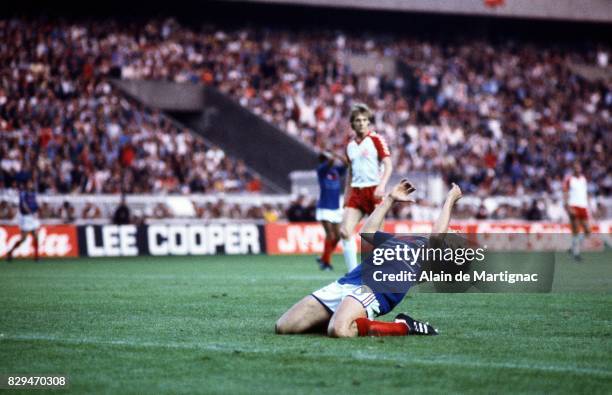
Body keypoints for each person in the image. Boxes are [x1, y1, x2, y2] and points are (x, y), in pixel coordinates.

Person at [275, 180, 463, 337]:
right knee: (283, 327)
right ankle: (344, 316)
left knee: (339, 330)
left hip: (373, 290)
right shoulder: (406, 241)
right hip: (348, 282)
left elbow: (438, 236)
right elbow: (368, 232)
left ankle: (404, 326)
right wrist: (389, 200)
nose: (451, 232)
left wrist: (450, 200)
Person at [340, 103, 392, 272]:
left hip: (374, 190)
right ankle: (353, 275)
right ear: (352, 124)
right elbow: (350, 171)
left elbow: (388, 164)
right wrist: (346, 195)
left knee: (376, 237)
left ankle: (382, 274)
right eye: (357, 120)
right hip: (356, 191)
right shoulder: (350, 146)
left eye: (364, 120)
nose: (361, 123)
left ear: (368, 122)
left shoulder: (376, 139)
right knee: (345, 232)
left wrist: (382, 185)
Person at [315, 151, 347, 270]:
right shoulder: (321, 170)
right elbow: (331, 162)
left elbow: (346, 163)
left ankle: (324, 257)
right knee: (330, 235)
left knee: (338, 236)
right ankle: (326, 263)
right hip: (324, 207)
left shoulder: (336, 171)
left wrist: (336, 154)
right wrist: (332, 154)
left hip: (335, 207)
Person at [6, 179, 40, 261]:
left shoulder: (33, 193)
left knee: (36, 237)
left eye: (31, 183)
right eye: (29, 183)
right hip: (25, 217)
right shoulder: (23, 193)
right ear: (26, 185)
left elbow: (35, 203)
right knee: (23, 239)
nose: (30, 185)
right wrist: (30, 212)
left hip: (32, 217)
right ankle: (10, 252)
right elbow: (23, 204)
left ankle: (36, 256)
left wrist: (36, 211)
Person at [563, 162, 591, 261]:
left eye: (578, 168)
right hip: (573, 205)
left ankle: (573, 246)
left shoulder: (583, 179)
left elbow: (585, 193)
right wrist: (567, 207)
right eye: (575, 168)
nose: (577, 170)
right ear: (573, 169)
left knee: (588, 231)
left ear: (581, 169)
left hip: (583, 206)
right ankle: (576, 254)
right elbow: (565, 193)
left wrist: (589, 205)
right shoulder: (569, 179)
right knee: (576, 230)